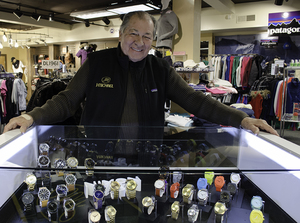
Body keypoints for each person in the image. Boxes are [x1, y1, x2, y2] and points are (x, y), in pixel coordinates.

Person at [3, 11, 278, 137]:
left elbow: (198, 102)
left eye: (147, 36)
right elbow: (66, 100)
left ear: (153, 41)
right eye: (134, 33)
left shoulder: (160, 68)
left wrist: (242, 119)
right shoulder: (97, 64)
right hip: (99, 160)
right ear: (122, 34)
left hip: (146, 161)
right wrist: (30, 116)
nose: (140, 41)